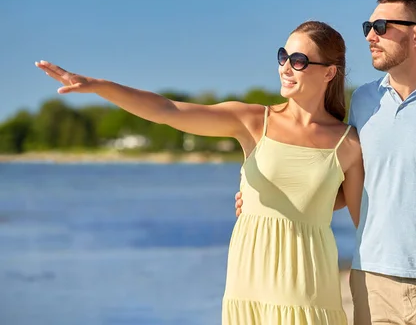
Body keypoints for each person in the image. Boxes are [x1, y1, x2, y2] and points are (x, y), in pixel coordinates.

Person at [35, 20, 366, 324]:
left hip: (307, 290)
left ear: (329, 73)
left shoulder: (347, 143)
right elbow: (168, 111)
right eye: (283, 56)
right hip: (247, 287)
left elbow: (364, 224)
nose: (285, 68)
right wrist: (100, 87)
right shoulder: (253, 121)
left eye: (299, 61)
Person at [236, 0, 416, 325]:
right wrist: (265, 197)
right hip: (372, 284)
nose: (370, 36)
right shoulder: (364, 102)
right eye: (367, 27)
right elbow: (343, 186)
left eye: (381, 27)